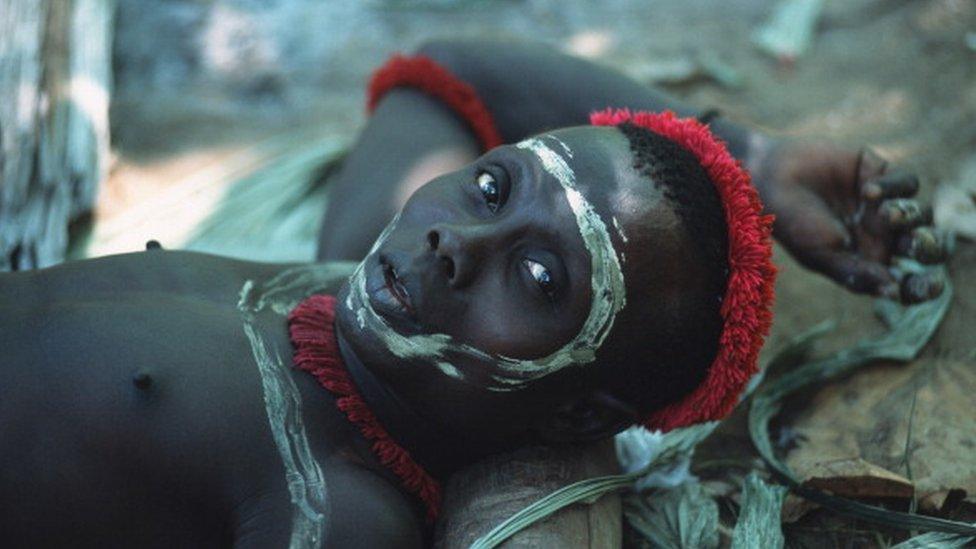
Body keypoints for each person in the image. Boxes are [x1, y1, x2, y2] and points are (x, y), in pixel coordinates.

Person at [0, 41, 947, 548]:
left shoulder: (341, 507)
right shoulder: (350, 277)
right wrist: (744, 155)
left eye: (540, 279)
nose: (459, 240)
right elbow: (456, 72)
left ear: (577, 408)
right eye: (493, 186)